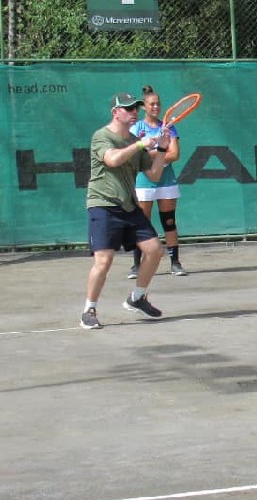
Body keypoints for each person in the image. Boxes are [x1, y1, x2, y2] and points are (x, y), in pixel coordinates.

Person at [80, 92, 171, 330]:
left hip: (129, 205)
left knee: (154, 250)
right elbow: (112, 160)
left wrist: (161, 150)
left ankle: (137, 297)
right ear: (115, 112)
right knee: (104, 259)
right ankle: (89, 309)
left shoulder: (133, 140)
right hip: (103, 203)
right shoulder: (101, 136)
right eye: (128, 109)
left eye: (135, 109)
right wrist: (141, 144)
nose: (134, 112)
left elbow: (154, 174)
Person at [129, 85, 188, 277]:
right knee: (141, 223)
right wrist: (160, 153)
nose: (156, 107)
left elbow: (175, 154)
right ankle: (137, 265)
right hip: (143, 182)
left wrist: (149, 154)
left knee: (169, 222)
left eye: (158, 104)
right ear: (144, 107)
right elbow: (134, 154)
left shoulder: (169, 127)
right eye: (151, 104)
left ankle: (175, 263)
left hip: (167, 182)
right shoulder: (136, 128)